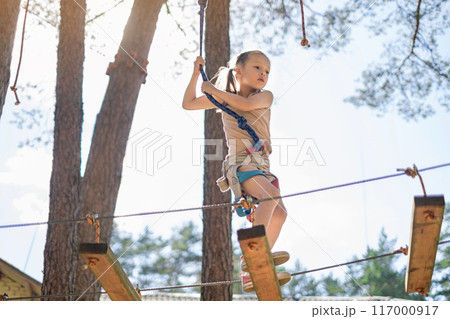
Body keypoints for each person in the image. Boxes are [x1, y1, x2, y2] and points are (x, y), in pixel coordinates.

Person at [182, 50, 290, 292]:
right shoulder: (222, 98)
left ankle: (252, 268)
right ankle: (254, 257)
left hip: (261, 165)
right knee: (270, 199)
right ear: (238, 71)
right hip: (242, 163)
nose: (264, 73)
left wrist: (213, 91)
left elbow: (246, 104)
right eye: (258, 68)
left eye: (267, 71)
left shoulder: (264, 97)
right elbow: (188, 104)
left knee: (280, 213)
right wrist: (194, 73)